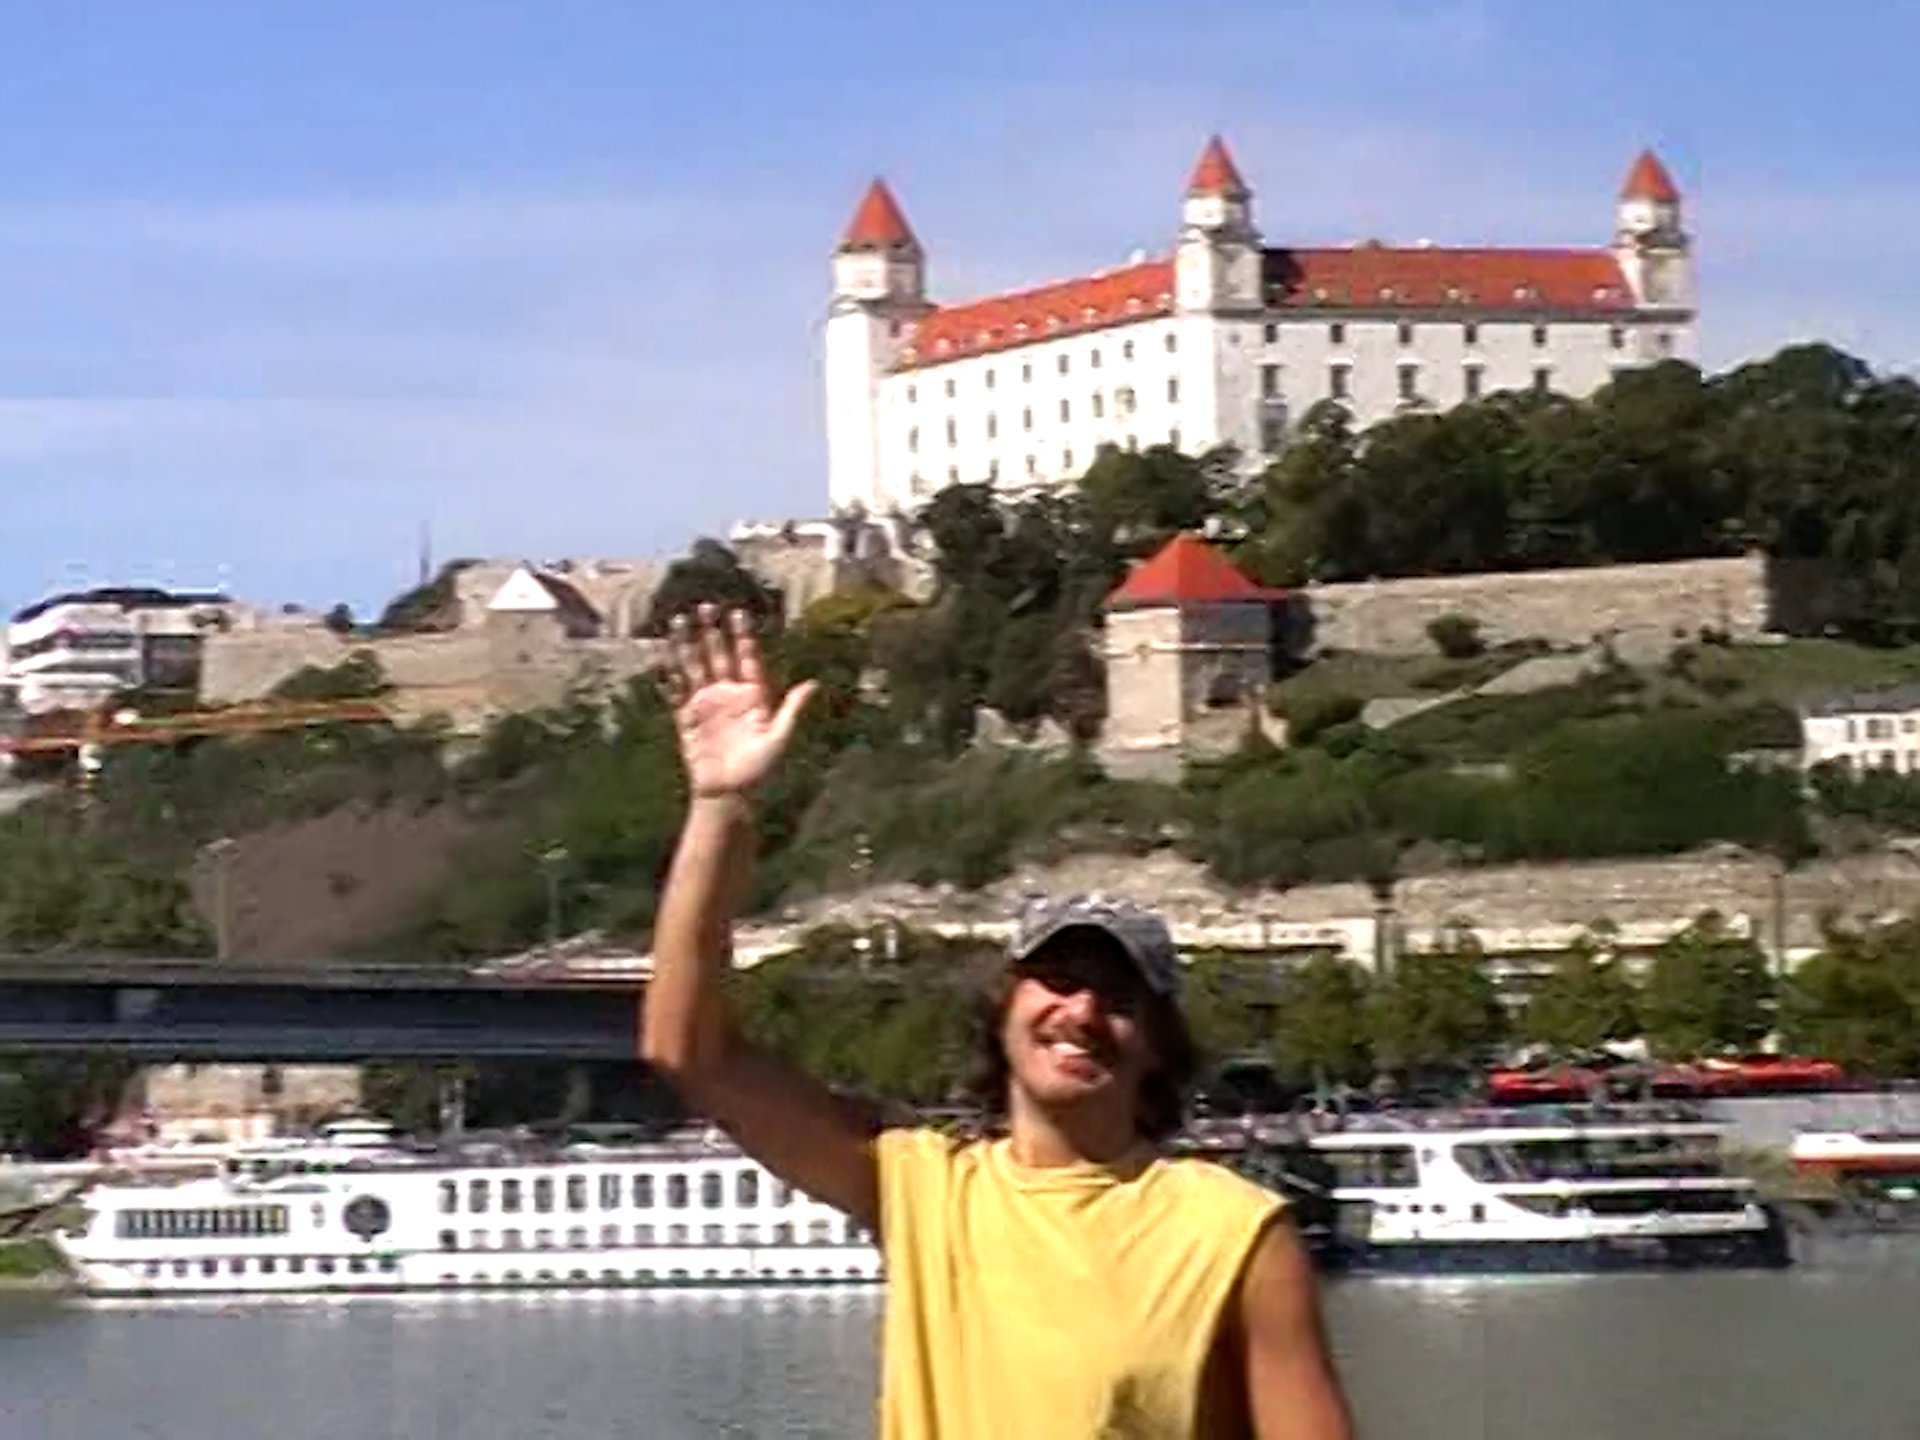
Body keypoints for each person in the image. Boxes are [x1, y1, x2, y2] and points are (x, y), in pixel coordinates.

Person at [640, 603, 1355, 1440]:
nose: (1082, 1011)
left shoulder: (1234, 1235)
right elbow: (687, 1050)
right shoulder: (925, 1193)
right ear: (1004, 1007)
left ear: (1159, 1042)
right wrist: (719, 807)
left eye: (1119, 996)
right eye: (1059, 979)